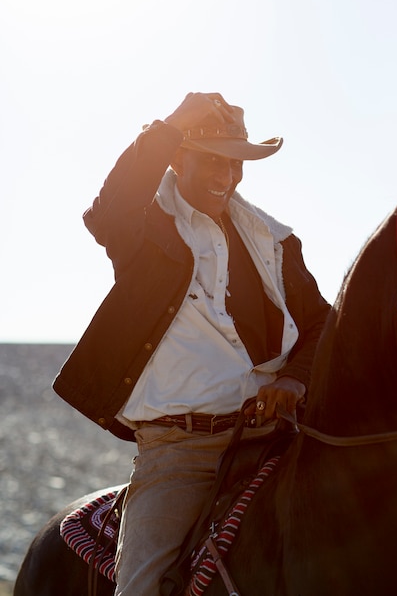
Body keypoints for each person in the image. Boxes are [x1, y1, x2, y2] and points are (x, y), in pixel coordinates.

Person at [53, 91, 331, 595]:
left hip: (277, 438)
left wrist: (294, 376)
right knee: (140, 588)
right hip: (182, 453)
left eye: (235, 163)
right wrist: (176, 121)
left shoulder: (274, 240)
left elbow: (321, 323)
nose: (226, 176)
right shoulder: (143, 230)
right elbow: (110, 204)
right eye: (211, 160)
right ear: (177, 157)